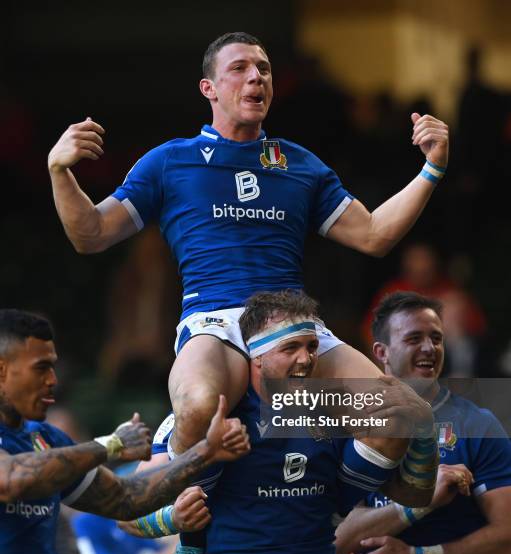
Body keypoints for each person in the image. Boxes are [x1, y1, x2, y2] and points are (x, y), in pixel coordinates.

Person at [48, 31, 449, 462]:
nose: (255, 78)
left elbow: (374, 235)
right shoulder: (169, 161)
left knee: (398, 416)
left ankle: (341, 508)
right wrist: (59, 171)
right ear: (210, 88)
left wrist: (432, 168)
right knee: (200, 408)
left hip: (295, 325)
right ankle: (170, 468)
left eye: (264, 69)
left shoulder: (299, 163)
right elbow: (90, 234)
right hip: (215, 322)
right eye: (239, 69)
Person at [122, 290, 439, 554]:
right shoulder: (210, 420)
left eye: (312, 346)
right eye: (291, 347)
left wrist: (423, 431)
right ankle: (191, 548)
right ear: (256, 354)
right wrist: (173, 518)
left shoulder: (335, 414)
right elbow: (127, 514)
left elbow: (416, 495)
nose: (307, 359)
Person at [0, 308, 250, 554]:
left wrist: (204, 452)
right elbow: (9, 479)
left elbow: (125, 499)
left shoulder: (45, 438)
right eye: (41, 368)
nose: (52, 380)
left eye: (52, 367)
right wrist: (113, 444)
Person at [335, 291, 511, 554]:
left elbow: (507, 539)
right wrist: (417, 505)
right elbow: (336, 539)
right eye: (414, 338)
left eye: (437, 338)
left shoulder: (478, 425)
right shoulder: (349, 427)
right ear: (381, 352)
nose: (429, 348)